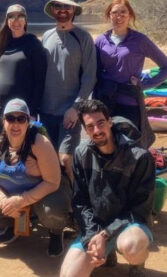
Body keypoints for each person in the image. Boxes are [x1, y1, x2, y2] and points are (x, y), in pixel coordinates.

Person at [59, 99, 155, 277]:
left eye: (100, 123)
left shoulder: (139, 157)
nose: (97, 130)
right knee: (68, 275)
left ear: (110, 121)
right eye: (90, 126)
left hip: (131, 224)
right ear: (85, 130)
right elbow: (80, 203)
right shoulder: (81, 154)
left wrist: (105, 235)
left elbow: (140, 209)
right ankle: (107, 252)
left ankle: (138, 262)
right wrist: (92, 237)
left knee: (131, 247)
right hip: (97, 225)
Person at [0, 99, 71, 257]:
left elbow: (53, 182)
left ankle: (55, 231)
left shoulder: (40, 143)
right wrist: (3, 201)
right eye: (11, 118)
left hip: (44, 195)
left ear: (28, 121)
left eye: (21, 119)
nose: (15, 124)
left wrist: (22, 200)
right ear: (3, 121)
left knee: (53, 212)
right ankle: (16, 224)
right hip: (12, 197)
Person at [94, 0, 167, 148]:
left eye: (123, 12)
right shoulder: (101, 41)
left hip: (129, 102)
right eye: (115, 13)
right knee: (106, 145)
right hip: (105, 101)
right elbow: (94, 72)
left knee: (130, 146)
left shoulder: (140, 40)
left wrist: (143, 85)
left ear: (130, 15)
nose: (119, 16)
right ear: (109, 15)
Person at [40, 0, 97, 182]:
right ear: (53, 10)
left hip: (70, 113)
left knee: (66, 159)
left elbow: (90, 77)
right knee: (48, 161)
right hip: (45, 112)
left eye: (66, 6)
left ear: (73, 10)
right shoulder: (46, 36)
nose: (62, 10)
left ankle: (77, 205)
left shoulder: (83, 37)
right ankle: (56, 203)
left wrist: (76, 107)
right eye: (58, 6)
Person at [0, 5, 47, 131]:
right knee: (4, 148)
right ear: (7, 21)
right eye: (12, 17)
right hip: (1, 108)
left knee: (22, 149)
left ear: (25, 21)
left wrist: (32, 112)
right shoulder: (4, 42)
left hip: (21, 111)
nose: (16, 21)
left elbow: (40, 81)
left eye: (20, 17)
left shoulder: (33, 43)